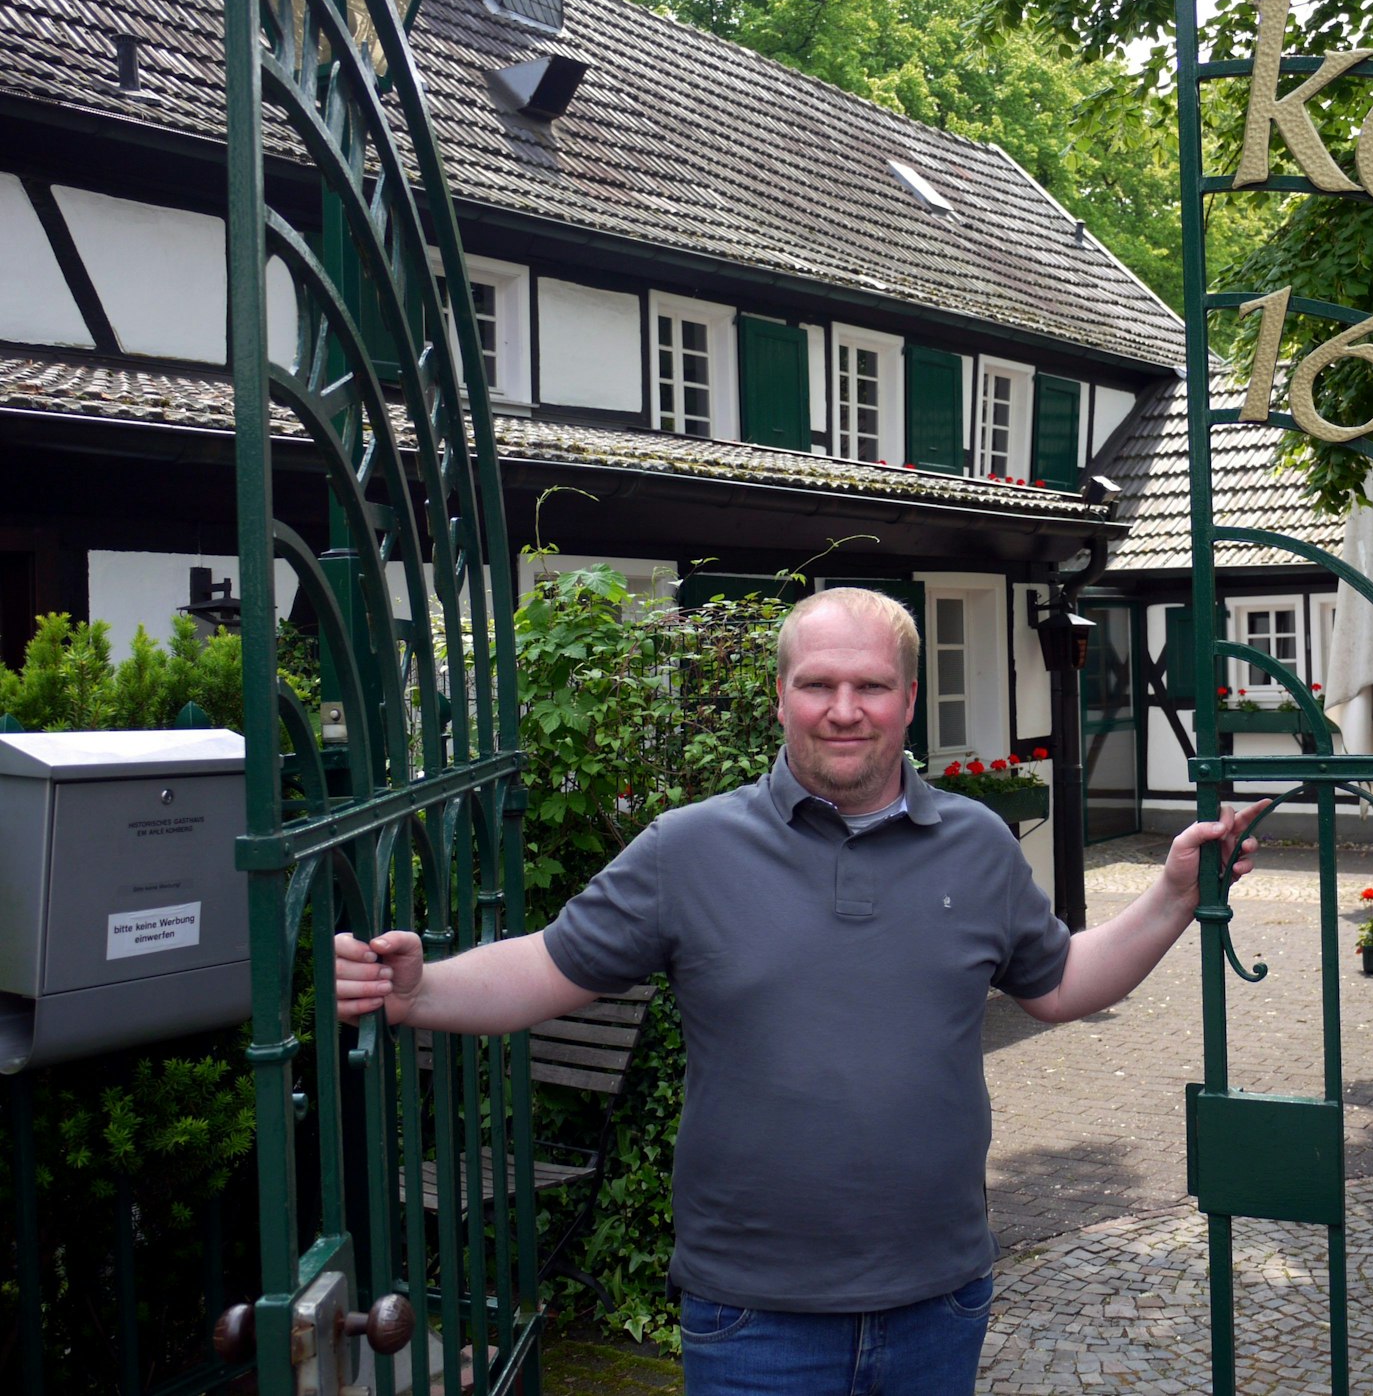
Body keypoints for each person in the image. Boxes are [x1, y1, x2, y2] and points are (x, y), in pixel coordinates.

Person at [335, 587, 1266, 1396]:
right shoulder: (687, 848)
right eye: (818, 684)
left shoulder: (977, 844)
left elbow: (1059, 984)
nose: (844, 709)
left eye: (869, 686)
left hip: (939, 1296)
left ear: (909, 698)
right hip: (754, 1314)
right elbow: (547, 966)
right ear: (781, 695)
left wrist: (1173, 895)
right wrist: (418, 994)